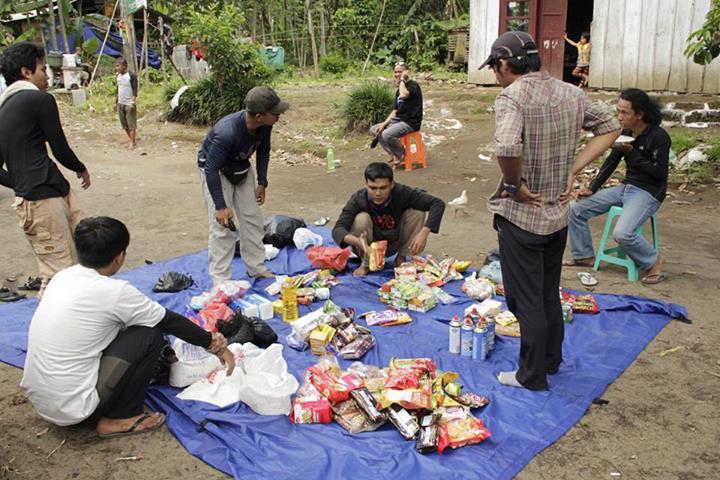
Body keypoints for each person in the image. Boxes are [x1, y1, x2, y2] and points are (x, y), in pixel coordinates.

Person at [479, 31, 620, 390]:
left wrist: (514, 185)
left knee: (525, 301)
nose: (496, 74)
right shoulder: (570, 92)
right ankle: (551, 361)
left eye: (496, 67)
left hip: (524, 217)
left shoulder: (512, 97)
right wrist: (573, 168)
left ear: (505, 64)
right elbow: (611, 126)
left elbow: (508, 145)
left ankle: (531, 376)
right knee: (546, 293)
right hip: (557, 215)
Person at [21, 216, 235, 438]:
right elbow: (168, 321)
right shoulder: (115, 292)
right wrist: (215, 344)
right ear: (119, 257)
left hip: (42, 399)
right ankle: (121, 418)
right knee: (149, 334)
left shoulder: (62, 276)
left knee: (124, 326)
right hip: (75, 409)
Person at [0, 42, 91, 298]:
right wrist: (81, 168)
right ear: (26, 72)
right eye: (42, 68)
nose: (47, 74)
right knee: (60, 274)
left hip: (45, 194)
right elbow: (60, 149)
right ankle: (55, 330)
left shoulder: (4, 109)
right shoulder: (38, 99)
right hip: (44, 198)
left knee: (82, 255)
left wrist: (21, 184)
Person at [564, 89, 670, 284]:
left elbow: (659, 174)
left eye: (625, 113)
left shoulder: (658, 136)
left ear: (640, 114)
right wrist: (592, 188)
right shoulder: (626, 133)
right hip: (626, 187)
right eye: (618, 111)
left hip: (647, 192)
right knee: (575, 209)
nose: (619, 117)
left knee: (622, 233)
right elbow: (611, 163)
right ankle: (584, 255)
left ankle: (653, 261)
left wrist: (632, 153)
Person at [198, 86, 289, 284]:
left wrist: (262, 182)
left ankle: (257, 268)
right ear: (259, 116)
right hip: (217, 172)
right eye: (275, 113)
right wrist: (221, 206)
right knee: (222, 227)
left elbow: (264, 151)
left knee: (253, 220)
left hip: (241, 168)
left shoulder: (265, 125)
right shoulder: (227, 132)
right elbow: (211, 169)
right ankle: (221, 280)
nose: (279, 116)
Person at [332, 162, 445, 277]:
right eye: (372, 188)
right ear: (366, 184)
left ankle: (401, 257)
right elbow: (338, 229)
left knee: (417, 212)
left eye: (383, 188)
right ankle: (366, 263)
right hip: (369, 247)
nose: (377, 193)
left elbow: (437, 203)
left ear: (392, 185)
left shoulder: (401, 192)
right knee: (360, 219)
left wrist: (424, 233)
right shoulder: (358, 198)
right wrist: (359, 243)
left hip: (394, 241)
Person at [369, 61, 423, 168]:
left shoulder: (413, 85)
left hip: (410, 122)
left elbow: (404, 95)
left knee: (387, 134)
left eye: (400, 72)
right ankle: (393, 153)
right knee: (374, 129)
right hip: (398, 120)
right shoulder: (399, 90)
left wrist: (403, 79)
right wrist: (384, 124)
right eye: (395, 72)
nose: (397, 74)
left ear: (406, 72)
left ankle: (402, 154)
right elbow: (395, 110)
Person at [114, 58, 138, 149]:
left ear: (124, 66)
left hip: (129, 103)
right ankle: (133, 140)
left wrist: (133, 102)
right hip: (121, 103)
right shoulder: (118, 76)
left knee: (131, 124)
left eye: (118, 66)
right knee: (124, 124)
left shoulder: (131, 75)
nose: (116, 68)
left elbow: (135, 90)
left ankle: (132, 142)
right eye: (116, 66)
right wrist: (115, 103)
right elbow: (117, 90)